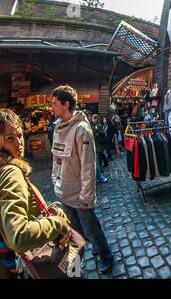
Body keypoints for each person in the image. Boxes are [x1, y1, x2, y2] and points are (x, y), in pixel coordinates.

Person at [0, 109, 71, 278]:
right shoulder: (11, 172)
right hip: (29, 262)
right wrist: (57, 223)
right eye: (11, 138)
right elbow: (18, 236)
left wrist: (46, 212)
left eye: (19, 135)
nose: (19, 143)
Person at [51, 86, 113, 273]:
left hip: (80, 196)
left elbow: (88, 168)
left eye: (54, 103)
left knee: (91, 227)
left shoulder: (81, 130)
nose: (51, 107)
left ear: (66, 104)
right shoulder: (57, 128)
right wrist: (55, 181)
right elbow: (56, 160)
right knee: (78, 229)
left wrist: (87, 198)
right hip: (64, 192)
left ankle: (105, 255)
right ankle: (94, 246)